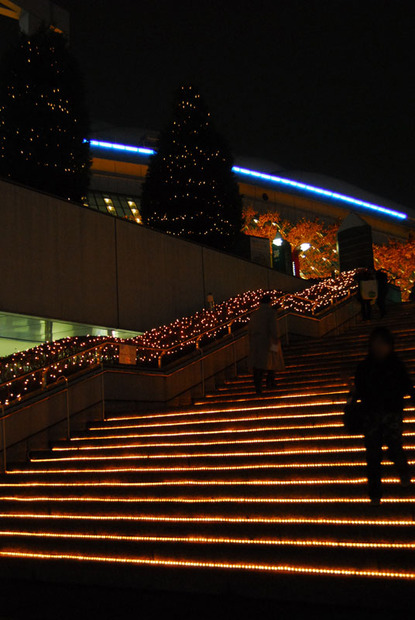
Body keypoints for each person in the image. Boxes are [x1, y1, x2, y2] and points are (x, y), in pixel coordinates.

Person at [354, 327, 414, 505]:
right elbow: (360, 388)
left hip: (391, 414)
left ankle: (403, 472)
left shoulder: (396, 365)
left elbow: (407, 385)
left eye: (382, 343)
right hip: (372, 416)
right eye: (376, 343)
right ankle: (374, 492)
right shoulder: (365, 366)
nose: (379, 347)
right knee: (373, 454)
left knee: (395, 446)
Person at [248, 294, 281, 394]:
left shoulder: (254, 314)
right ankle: (270, 381)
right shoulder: (270, 313)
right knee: (272, 360)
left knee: (258, 365)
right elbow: (273, 328)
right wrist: (276, 338)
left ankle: (258, 386)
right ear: (269, 302)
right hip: (269, 340)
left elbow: (250, 329)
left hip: (256, 342)